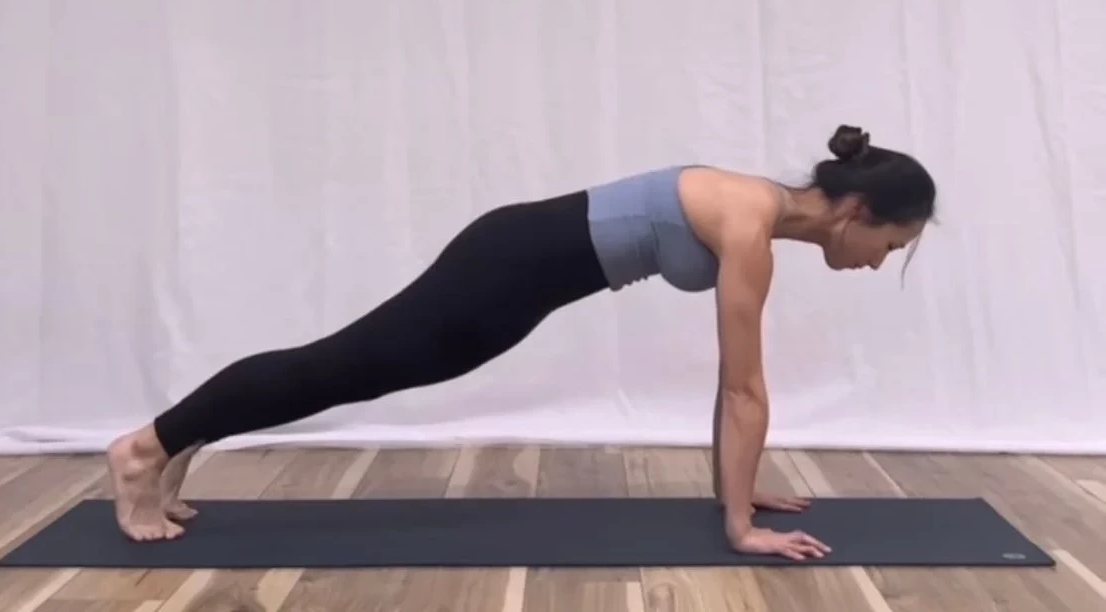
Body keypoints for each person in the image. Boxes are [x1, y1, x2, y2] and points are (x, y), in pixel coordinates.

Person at [106, 123, 936, 556]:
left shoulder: (754, 216)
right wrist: (740, 529)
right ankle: (145, 448)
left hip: (519, 278)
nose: (878, 262)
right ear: (858, 212)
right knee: (341, 366)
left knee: (344, 368)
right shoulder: (747, 223)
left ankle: (183, 440)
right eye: (890, 245)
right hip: (506, 269)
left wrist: (738, 492)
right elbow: (744, 389)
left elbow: (732, 380)